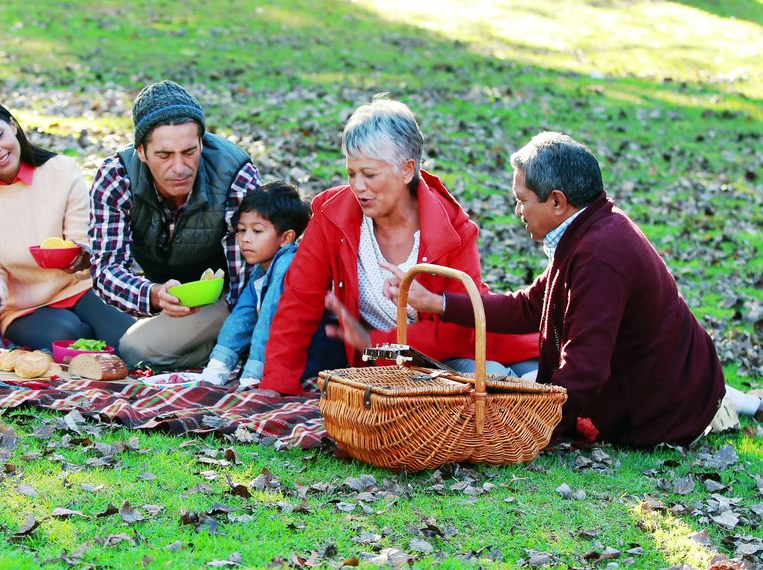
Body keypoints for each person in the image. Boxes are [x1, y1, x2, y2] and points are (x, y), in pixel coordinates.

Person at [404, 132, 732, 447]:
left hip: (665, 412)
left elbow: (585, 369)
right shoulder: (588, 229)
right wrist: (439, 303)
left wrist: (533, 430)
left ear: (557, 202)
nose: (518, 211)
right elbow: (532, 307)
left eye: (522, 200)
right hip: (666, 387)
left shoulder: (600, 254)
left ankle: (725, 405)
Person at [261, 97, 539, 395]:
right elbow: (298, 302)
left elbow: (460, 330)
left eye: (369, 174)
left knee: (508, 384)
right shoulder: (332, 214)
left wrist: (375, 344)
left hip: (475, 345)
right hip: (397, 368)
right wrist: (275, 387)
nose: (358, 186)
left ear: (407, 170)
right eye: (351, 173)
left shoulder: (452, 228)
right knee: (485, 388)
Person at [89, 80, 262, 368]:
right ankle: (211, 351)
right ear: (142, 152)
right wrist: (153, 294)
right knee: (129, 348)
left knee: (135, 349)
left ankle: (230, 352)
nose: (180, 168)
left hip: (228, 296)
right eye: (164, 155)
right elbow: (106, 270)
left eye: (189, 152)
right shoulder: (116, 178)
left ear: (202, 143)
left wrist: (236, 338)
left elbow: (249, 277)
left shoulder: (234, 174)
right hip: (162, 295)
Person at [0, 96, 134, 352]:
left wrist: (81, 257)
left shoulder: (62, 171)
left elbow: (83, 239)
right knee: (68, 335)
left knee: (130, 342)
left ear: (13, 125)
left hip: (78, 287)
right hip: (24, 306)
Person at [201, 182, 347, 388]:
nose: (246, 240)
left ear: (286, 237)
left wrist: (254, 375)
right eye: (242, 230)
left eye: (257, 231)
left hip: (315, 353)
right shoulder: (262, 267)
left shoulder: (289, 264)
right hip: (283, 352)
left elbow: (270, 316)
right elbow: (243, 314)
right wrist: (218, 365)